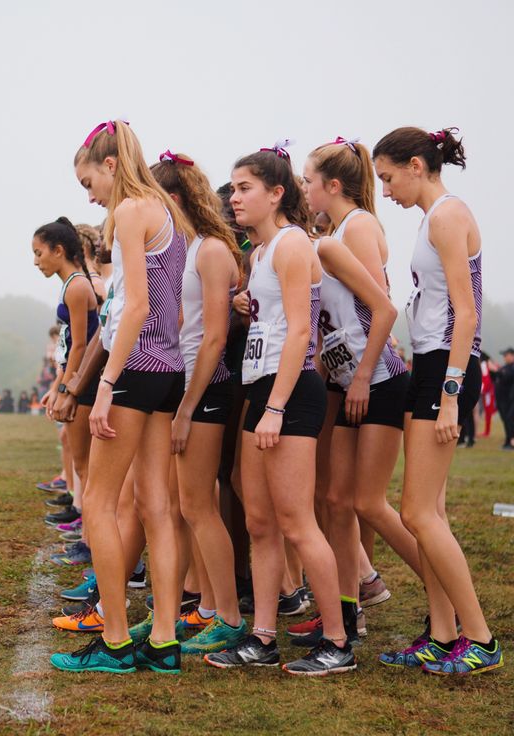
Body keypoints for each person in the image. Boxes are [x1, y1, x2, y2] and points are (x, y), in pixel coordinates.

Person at [204, 140, 355, 676]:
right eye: (234, 188)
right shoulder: (257, 253)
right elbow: (272, 321)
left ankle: (338, 641)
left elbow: (299, 334)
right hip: (259, 389)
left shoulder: (293, 245)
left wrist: (276, 408)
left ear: (276, 193)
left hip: (288, 396)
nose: (235, 198)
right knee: (261, 521)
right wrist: (246, 303)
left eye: (245, 189)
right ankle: (262, 636)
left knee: (297, 523)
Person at [49, 120, 193, 675]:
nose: (88, 195)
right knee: (158, 507)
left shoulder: (132, 210)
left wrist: (104, 386)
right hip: (168, 369)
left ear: (110, 165)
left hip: (134, 370)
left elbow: (133, 309)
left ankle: (112, 642)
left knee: (102, 506)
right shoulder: (168, 212)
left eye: (88, 181)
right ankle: (162, 641)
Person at [372, 126, 502, 674]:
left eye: (387, 178)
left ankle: (481, 640)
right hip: (428, 363)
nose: (385, 191)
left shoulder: (447, 215)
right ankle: (443, 634)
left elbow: (467, 312)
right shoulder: (432, 218)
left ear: (417, 166)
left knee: (417, 511)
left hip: (447, 366)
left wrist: (450, 397)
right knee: (433, 511)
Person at [296, 137, 418, 645]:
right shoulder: (325, 235)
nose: (302, 189)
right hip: (348, 386)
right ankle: (346, 615)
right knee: (334, 500)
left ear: (332, 186)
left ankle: (447, 592)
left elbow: (380, 310)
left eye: (307, 180)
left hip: (380, 381)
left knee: (369, 504)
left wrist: (363, 375)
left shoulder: (358, 226)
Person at [149, 150, 246, 654]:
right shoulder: (190, 247)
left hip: (207, 389)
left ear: (176, 197)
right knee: (184, 505)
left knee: (199, 506)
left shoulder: (210, 250)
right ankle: (206, 609)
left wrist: (187, 406)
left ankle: (228, 616)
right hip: (188, 386)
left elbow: (213, 337)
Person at [33, 216, 100, 536]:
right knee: (84, 467)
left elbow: (81, 345)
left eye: (39, 253)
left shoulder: (76, 286)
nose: (36, 262)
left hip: (85, 382)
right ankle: (87, 533)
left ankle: (90, 539)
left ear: (58, 251)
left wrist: (65, 389)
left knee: (86, 468)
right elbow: (69, 343)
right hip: (79, 380)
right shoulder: (71, 284)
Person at [492, 348, 514, 448]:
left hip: (509, 399)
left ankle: (510, 441)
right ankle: (508, 440)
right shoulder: (504, 367)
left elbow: (507, 377)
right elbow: (495, 377)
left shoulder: (511, 367)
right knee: (506, 420)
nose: (504, 357)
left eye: (506, 355)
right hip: (501, 399)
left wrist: (497, 371)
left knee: (509, 419)